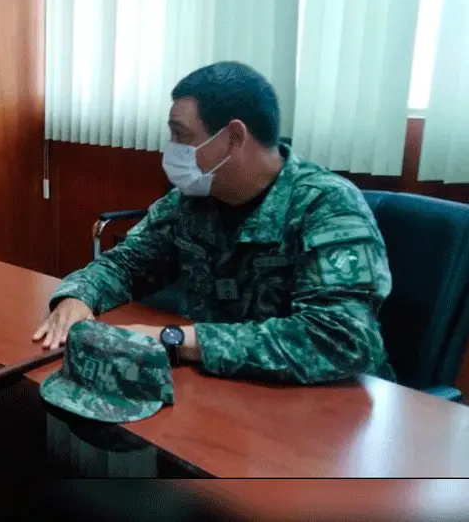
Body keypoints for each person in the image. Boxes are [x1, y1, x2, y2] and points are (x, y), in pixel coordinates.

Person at [33, 61, 395, 384]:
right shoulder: (191, 201)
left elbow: (341, 339)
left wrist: (176, 340)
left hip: (327, 406)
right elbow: (127, 263)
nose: (171, 148)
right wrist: (78, 296)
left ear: (234, 137)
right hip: (221, 388)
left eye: (181, 135)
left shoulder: (327, 205)